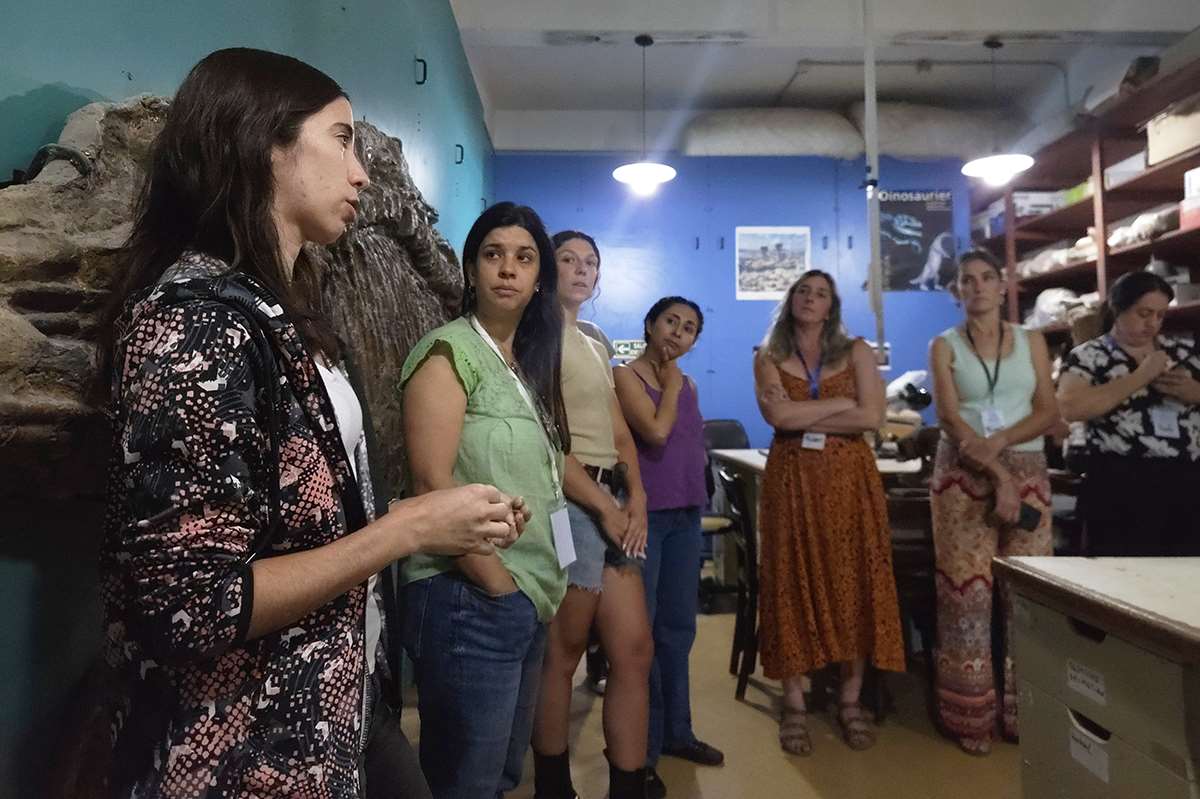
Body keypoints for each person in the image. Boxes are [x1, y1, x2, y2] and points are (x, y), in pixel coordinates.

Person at [95, 48, 521, 798]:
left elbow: (303, 517)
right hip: (249, 744)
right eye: (341, 139)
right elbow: (192, 604)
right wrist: (405, 531)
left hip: (337, 697)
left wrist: (434, 517)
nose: (362, 174)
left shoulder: (280, 312)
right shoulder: (198, 324)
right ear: (265, 141)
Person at [399, 202, 571, 798]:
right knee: (464, 782)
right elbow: (430, 483)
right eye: (493, 254)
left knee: (499, 775)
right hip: (468, 592)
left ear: (539, 278)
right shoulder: (448, 352)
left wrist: (524, 594)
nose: (508, 269)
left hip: (526, 595)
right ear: (471, 269)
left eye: (524, 258)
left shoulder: (526, 365)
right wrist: (497, 585)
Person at [753, 270, 904, 756]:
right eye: (803, 291)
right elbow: (779, 417)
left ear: (832, 305)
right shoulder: (767, 355)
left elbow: (872, 417)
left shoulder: (857, 351)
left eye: (820, 294)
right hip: (792, 483)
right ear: (790, 299)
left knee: (855, 580)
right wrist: (841, 401)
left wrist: (807, 412)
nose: (810, 299)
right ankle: (795, 703)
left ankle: (851, 699)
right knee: (789, 580)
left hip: (850, 483)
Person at [531, 230, 655, 799]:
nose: (581, 270)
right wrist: (605, 507)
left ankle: (627, 784)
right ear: (547, 268)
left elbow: (619, 430)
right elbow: (545, 441)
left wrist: (637, 498)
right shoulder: (534, 340)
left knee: (633, 650)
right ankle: (554, 786)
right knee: (565, 652)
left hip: (613, 506)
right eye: (568, 260)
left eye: (591, 263)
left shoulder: (594, 343)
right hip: (572, 506)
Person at [928, 248, 1058, 755]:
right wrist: (997, 471)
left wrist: (1000, 444)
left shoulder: (1032, 340)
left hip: (1026, 469)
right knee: (966, 594)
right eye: (967, 280)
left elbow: (1046, 410)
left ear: (1003, 286)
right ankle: (970, 715)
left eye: (986, 278)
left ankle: (1030, 712)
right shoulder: (944, 345)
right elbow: (948, 415)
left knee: (1029, 593)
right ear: (956, 291)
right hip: (963, 473)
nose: (977, 286)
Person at [614, 296, 726, 784]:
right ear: (650, 325)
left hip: (686, 515)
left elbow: (690, 446)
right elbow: (655, 433)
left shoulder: (689, 385)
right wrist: (674, 382)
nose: (678, 333)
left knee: (679, 629)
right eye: (671, 322)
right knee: (644, 634)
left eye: (689, 328)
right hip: (647, 519)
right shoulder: (626, 377)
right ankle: (644, 751)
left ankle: (678, 731)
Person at [1057, 270, 1200, 556]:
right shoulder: (1089, 355)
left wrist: (1194, 392)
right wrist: (1141, 377)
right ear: (1118, 308)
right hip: (1120, 482)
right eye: (1143, 313)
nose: (1152, 323)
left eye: (1160, 315)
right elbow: (1072, 407)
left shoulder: (1184, 351)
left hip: (1185, 479)